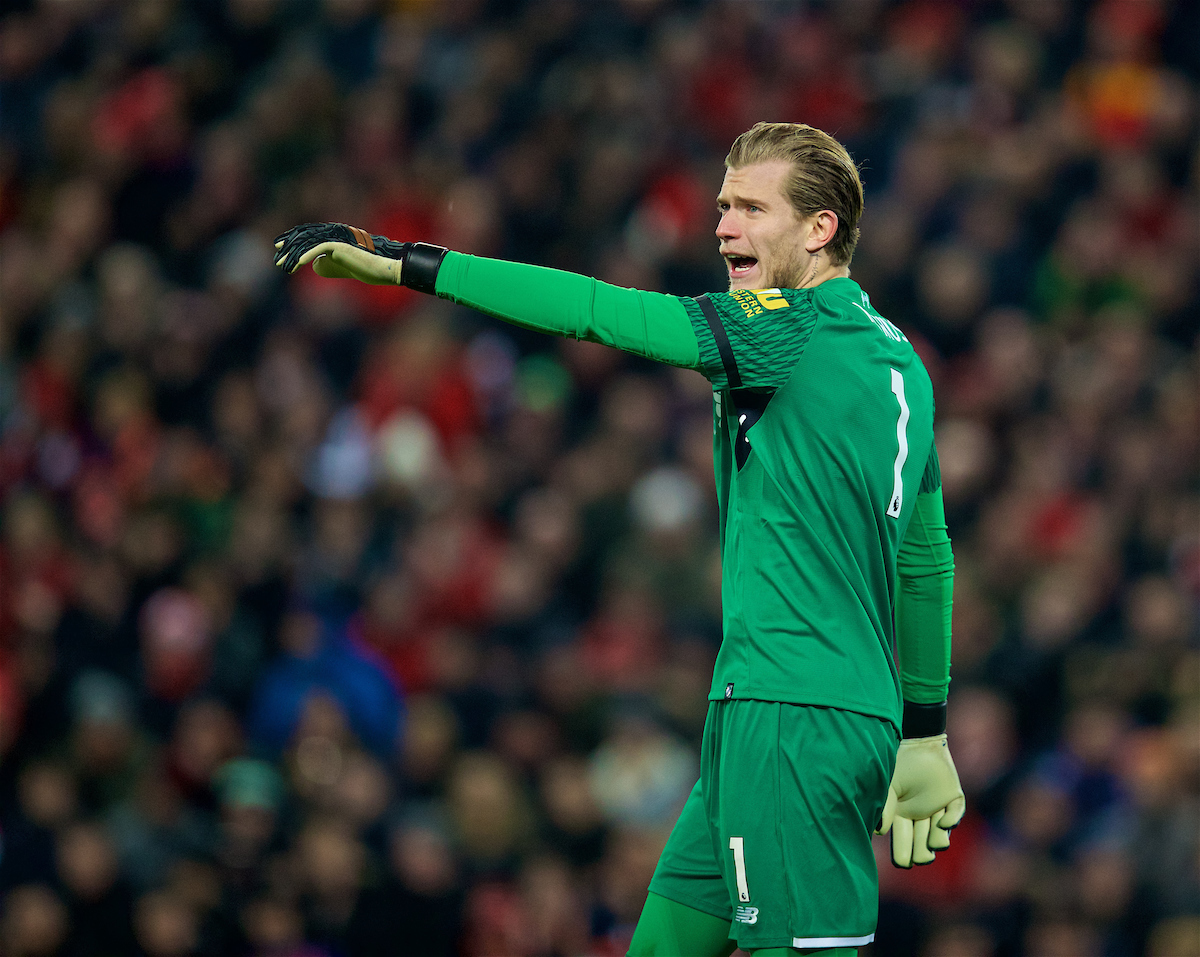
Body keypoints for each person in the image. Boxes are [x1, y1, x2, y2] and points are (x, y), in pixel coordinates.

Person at [275, 121, 965, 957]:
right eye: (722, 205)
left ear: (819, 230)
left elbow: (600, 313)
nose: (722, 227)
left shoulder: (779, 328)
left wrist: (412, 263)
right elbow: (925, 559)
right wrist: (923, 726)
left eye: (752, 207)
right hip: (789, 712)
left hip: (790, 722)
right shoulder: (903, 364)